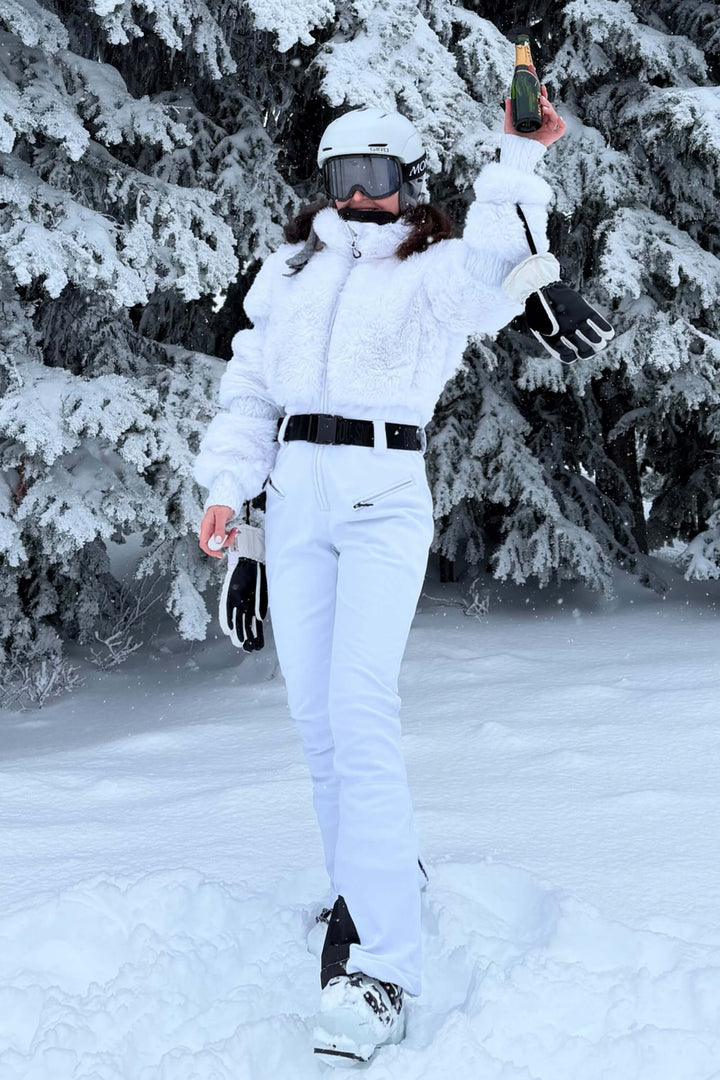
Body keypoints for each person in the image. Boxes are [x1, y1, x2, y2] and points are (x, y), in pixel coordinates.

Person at [195, 92, 609, 1066]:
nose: (362, 198)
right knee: (316, 721)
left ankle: (385, 967)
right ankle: (366, 885)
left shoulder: (432, 274)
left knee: (360, 707)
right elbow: (252, 391)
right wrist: (228, 492)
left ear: (410, 184)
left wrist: (517, 153)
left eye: (380, 178)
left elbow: (500, 255)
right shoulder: (291, 275)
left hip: (382, 498)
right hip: (294, 504)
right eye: (346, 179)